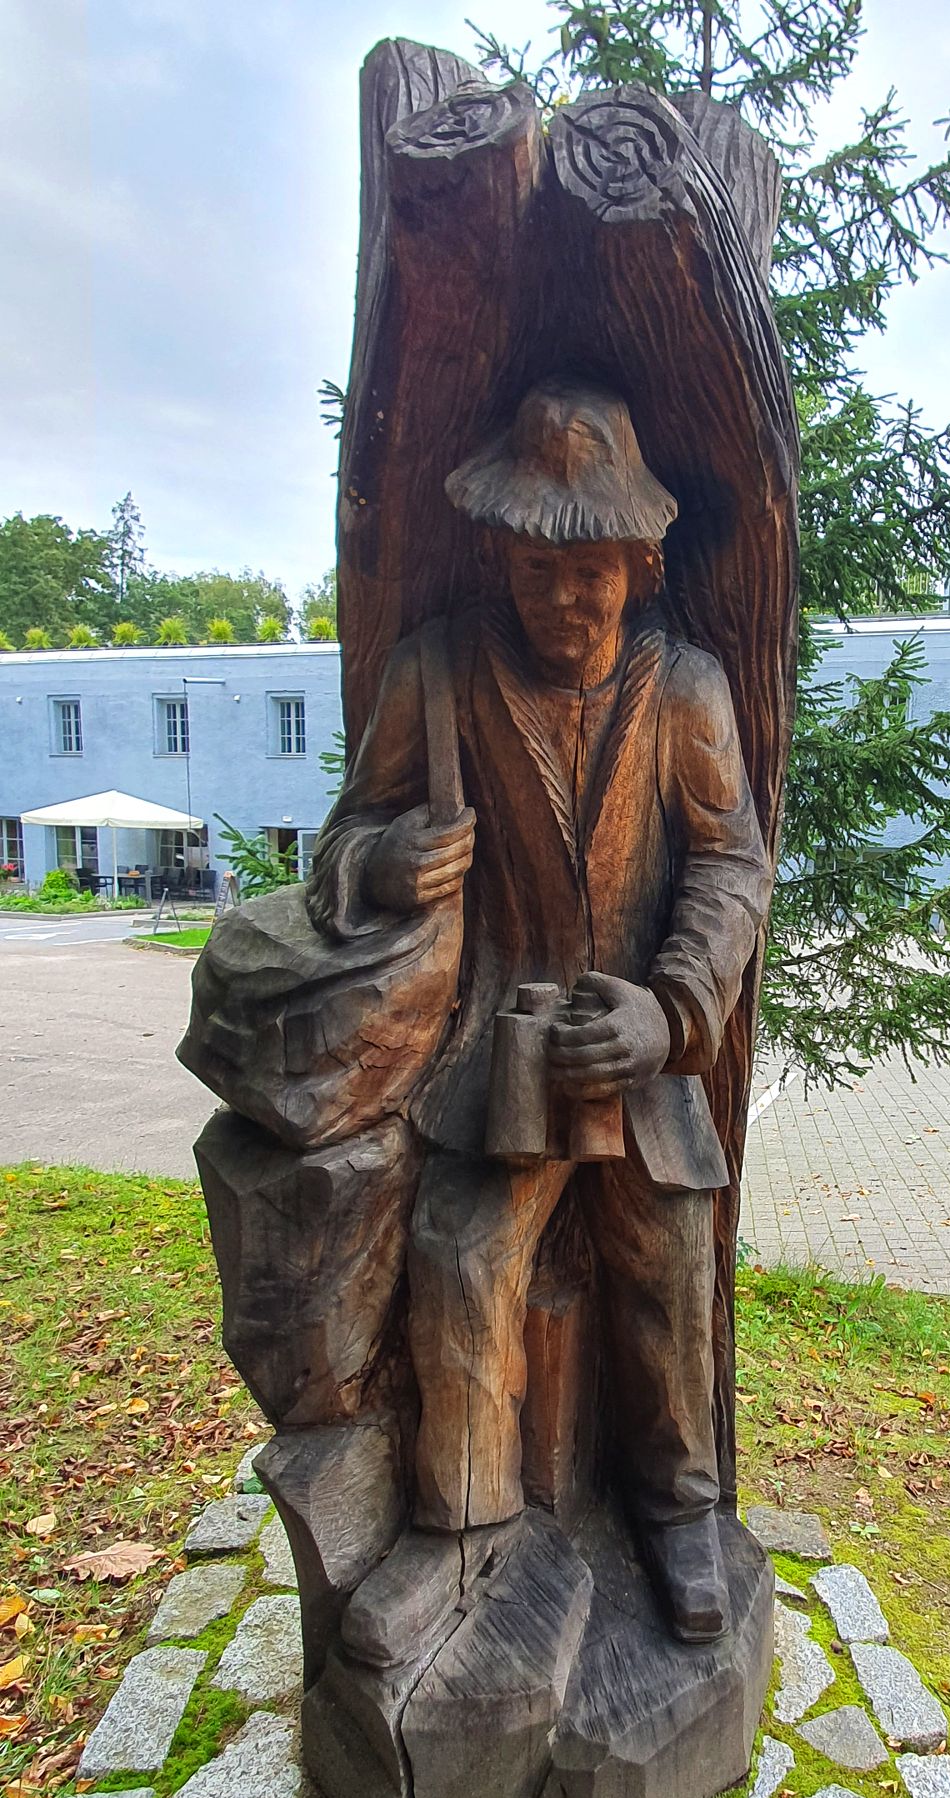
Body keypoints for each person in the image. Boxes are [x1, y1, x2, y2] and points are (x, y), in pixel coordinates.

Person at [305, 379, 772, 1658]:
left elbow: (732, 865)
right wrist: (385, 862)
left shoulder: (686, 691)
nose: (563, 600)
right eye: (535, 571)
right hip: (496, 1056)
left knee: (667, 1258)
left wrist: (673, 1008)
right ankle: (461, 1532)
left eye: (591, 574)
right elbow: (342, 838)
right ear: (499, 560)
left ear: (641, 565)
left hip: (638, 1047)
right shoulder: (437, 674)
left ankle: (679, 1509)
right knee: (461, 1257)